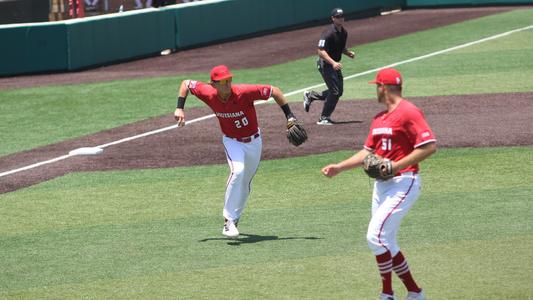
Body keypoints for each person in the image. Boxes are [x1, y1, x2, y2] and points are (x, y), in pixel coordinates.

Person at [321, 68, 436, 300]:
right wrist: (339, 167)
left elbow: (429, 146)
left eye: (377, 86)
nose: (376, 90)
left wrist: (395, 166)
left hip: (404, 182)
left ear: (383, 88)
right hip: (381, 186)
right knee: (387, 241)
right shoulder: (379, 118)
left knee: (375, 237)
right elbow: (367, 153)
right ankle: (415, 292)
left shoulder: (409, 112)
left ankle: (387, 294)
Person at [174, 65, 304, 239]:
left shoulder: (244, 92)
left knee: (245, 183)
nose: (228, 84)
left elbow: (275, 91)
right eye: (223, 82)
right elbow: (186, 83)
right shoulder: (208, 93)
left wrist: (290, 116)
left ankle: (234, 219)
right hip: (232, 141)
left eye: (229, 80)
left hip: (254, 141)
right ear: (213, 84)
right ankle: (227, 221)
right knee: (238, 172)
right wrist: (180, 107)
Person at [303, 7, 355, 125]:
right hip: (326, 64)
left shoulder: (344, 32)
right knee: (335, 92)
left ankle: (311, 96)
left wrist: (348, 53)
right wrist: (333, 63)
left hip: (334, 65)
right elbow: (321, 51)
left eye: (342, 16)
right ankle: (324, 118)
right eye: (337, 17)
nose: (340, 19)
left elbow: (340, 47)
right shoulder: (328, 33)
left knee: (338, 92)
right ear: (333, 18)